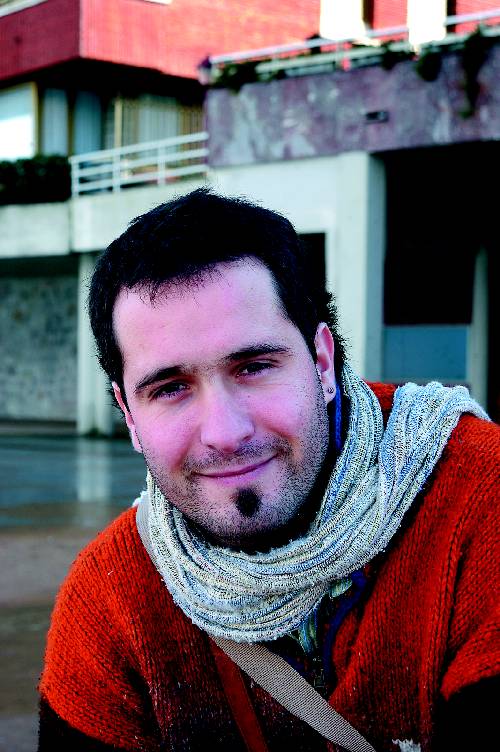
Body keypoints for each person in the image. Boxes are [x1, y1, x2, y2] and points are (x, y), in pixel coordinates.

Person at [38, 189, 499, 752]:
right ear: (129, 415)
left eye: (254, 366)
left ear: (322, 362)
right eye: (171, 388)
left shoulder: (480, 496)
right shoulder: (110, 602)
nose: (225, 432)